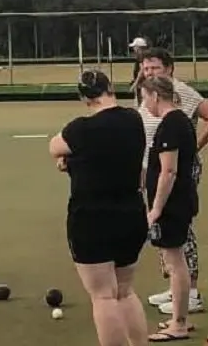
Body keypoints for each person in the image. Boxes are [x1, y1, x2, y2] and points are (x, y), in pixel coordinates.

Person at [48, 70, 149, 346]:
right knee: (125, 292)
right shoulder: (133, 119)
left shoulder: (81, 129)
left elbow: (54, 147)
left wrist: (69, 161)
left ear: (83, 97)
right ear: (110, 88)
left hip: (92, 219)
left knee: (103, 296)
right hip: (131, 213)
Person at [139, 48, 208, 316]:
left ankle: (191, 291)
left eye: (154, 67)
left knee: (177, 224)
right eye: (145, 67)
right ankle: (177, 287)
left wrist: (192, 149)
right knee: (163, 229)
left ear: (169, 68)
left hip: (174, 167)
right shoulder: (147, 92)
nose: (149, 72)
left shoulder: (179, 93)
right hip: (157, 165)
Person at [140, 75, 200, 342]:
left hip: (173, 204)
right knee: (175, 261)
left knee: (175, 262)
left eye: (145, 97)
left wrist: (155, 208)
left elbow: (169, 171)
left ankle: (179, 323)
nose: (145, 104)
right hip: (179, 202)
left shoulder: (172, 124)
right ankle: (179, 317)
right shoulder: (177, 122)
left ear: (155, 95)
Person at [128, 37, 150, 104]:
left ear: (138, 47)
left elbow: (142, 70)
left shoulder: (140, 55)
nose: (133, 48)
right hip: (145, 83)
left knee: (142, 103)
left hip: (142, 83)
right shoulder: (146, 54)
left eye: (134, 47)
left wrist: (135, 83)